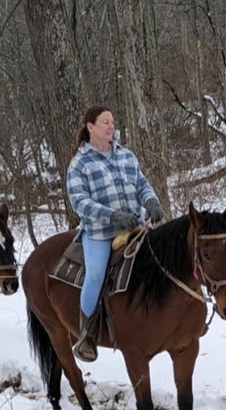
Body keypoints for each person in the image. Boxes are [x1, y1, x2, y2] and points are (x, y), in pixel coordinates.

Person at [66, 105, 165, 362]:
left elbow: (142, 184)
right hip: (100, 232)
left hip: (134, 227)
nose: (111, 126)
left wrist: (151, 201)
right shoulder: (80, 163)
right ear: (90, 127)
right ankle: (87, 334)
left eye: (112, 121)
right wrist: (111, 215)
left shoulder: (126, 156)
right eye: (105, 122)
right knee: (96, 273)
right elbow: (80, 201)